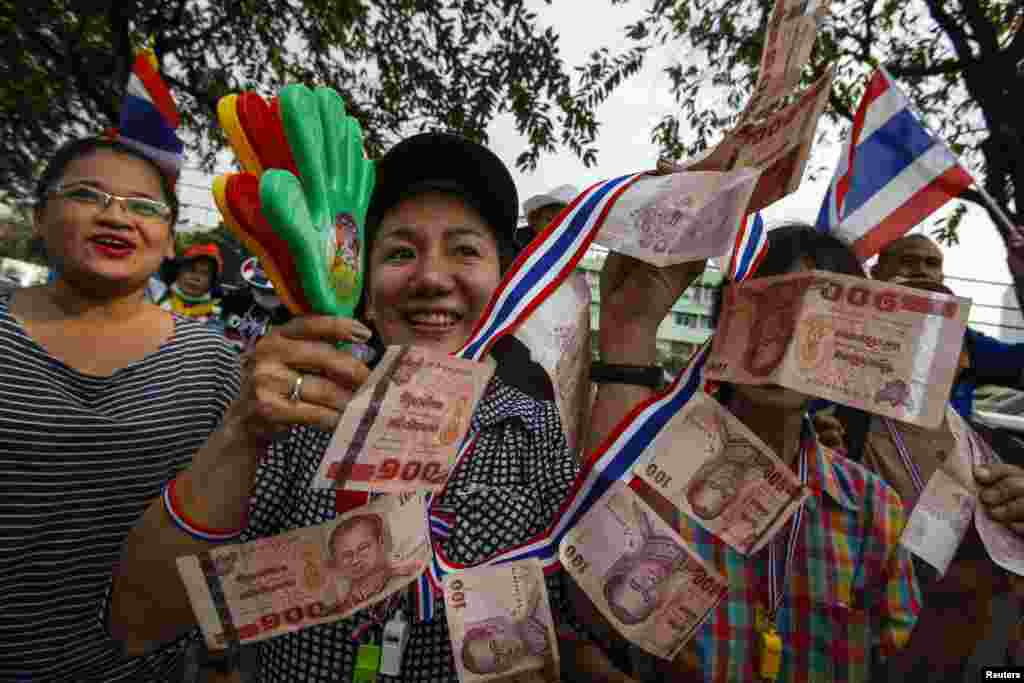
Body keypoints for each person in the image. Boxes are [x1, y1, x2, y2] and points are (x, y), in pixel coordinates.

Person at [111, 131, 706, 682]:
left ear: (502, 283)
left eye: (464, 251)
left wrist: (631, 329)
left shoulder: (531, 423)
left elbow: (594, 614)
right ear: (364, 282)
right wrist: (241, 434)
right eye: (400, 253)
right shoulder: (299, 409)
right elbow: (142, 622)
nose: (431, 277)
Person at [620, 225, 921, 682]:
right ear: (724, 327)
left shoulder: (872, 509)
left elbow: (905, 661)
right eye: (769, 313)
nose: (786, 344)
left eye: (817, 324)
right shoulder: (644, 479)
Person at [0, 136, 240, 682]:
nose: (117, 216)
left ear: (169, 237)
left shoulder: (209, 360)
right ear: (39, 217)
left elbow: (225, 523)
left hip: (140, 668)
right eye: (88, 194)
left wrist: (220, 656)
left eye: (144, 206)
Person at [870, 233, 1024, 418]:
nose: (921, 270)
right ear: (876, 273)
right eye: (908, 261)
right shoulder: (836, 328)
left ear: (941, 278)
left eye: (932, 264)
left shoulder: (963, 341)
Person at [327, 513, 421, 610]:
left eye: (363, 548)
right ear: (337, 563)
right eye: (347, 555)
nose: (355, 560)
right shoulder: (350, 598)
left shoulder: (399, 567)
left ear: (380, 542)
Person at [220, 256, 292, 353]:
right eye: (260, 290)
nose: (266, 296)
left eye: (272, 292)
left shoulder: (293, 318)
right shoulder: (233, 300)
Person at [158, 242, 225, 327]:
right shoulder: (156, 297)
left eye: (204, 273)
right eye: (191, 269)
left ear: (211, 283)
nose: (196, 277)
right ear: (178, 272)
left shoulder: (215, 315)